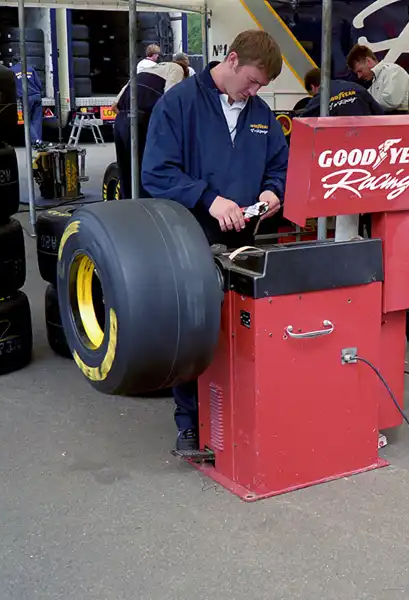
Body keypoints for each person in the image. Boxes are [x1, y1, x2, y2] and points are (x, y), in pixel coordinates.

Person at [142, 30, 288, 451]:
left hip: (246, 241)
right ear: (233, 60)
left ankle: (242, 416)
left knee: (242, 330)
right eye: (253, 81)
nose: (254, 92)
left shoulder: (260, 114)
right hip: (191, 237)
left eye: (261, 87)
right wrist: (208, 199)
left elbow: (279, 164)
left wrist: (272, 192)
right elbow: (157, 173)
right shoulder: (179, 104)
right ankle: (190, 424)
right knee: (197, 331)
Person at [111, 61, 188, 198]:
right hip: (140, 120)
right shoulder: (177, 69)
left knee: (126, 172)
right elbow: (170, 100)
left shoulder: (145, 71)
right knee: (146, 171)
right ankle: (145, 210)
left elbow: (114, 106)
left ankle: (127, 208)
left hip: (121, 120)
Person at [296, 67, 384, 117]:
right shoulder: (356, 87)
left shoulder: (319, 98)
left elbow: (303, 120)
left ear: (313, 87)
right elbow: (379, 112)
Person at [345, 44, 409, 112]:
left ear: (368, 61)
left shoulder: (393, 71)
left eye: (360, 71)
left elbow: (391, 101)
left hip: (402, 118)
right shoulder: (373, 84)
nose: (359, 76)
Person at [9, 60, 44, 148]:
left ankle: (36, 140)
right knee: (36, 120)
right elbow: (39, 84)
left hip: (25, 98)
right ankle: (38, 141)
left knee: (27, 121)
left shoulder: (11, 71)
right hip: (37, 96)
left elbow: (10, 86)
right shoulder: (30, 68)